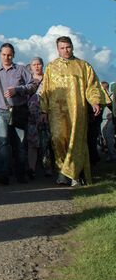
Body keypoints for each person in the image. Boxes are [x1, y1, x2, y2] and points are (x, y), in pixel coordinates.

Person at [40, 36, 105, 186]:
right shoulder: (51, 67)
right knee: (57, 139)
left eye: (68, 47)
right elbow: (46, 90)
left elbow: (92, 86)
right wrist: (43, 111)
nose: (65, 50)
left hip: (77, 110)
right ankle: (63, 169)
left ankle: (72, 174)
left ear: (72, 47)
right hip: (56, 111)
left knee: (76, 141)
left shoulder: (83, 66)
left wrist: (94, 101)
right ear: (58, 49)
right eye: (62, 48)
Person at [0, 43, 38, 185]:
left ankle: (21, 174)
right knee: (3, 143)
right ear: (0, 54)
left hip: (18, 110)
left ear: (13, 55)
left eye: (9, 55)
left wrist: (18, 90)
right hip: (1, 111)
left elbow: (33, 86)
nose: (6, 57)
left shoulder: (21, 70)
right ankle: (3, 174)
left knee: (20, 144)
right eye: (4, 54)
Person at [26, 58, 46, 178]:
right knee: (32, 143)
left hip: (45, 114)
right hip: (31, 116)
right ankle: (31, 169)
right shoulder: (28, 80)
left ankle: (47, 168)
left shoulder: (48, 79)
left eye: (39, 64)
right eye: (34, 65)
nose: (37, 67)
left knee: (45, 143)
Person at [99, 81, 114, 162]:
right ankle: (109, 153)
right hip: (103, 119)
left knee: (109, 137)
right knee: (105, 137)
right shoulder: (101, 97)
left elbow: (112, 106)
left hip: (111, 118)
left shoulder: (112, 95)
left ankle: (112, 155)